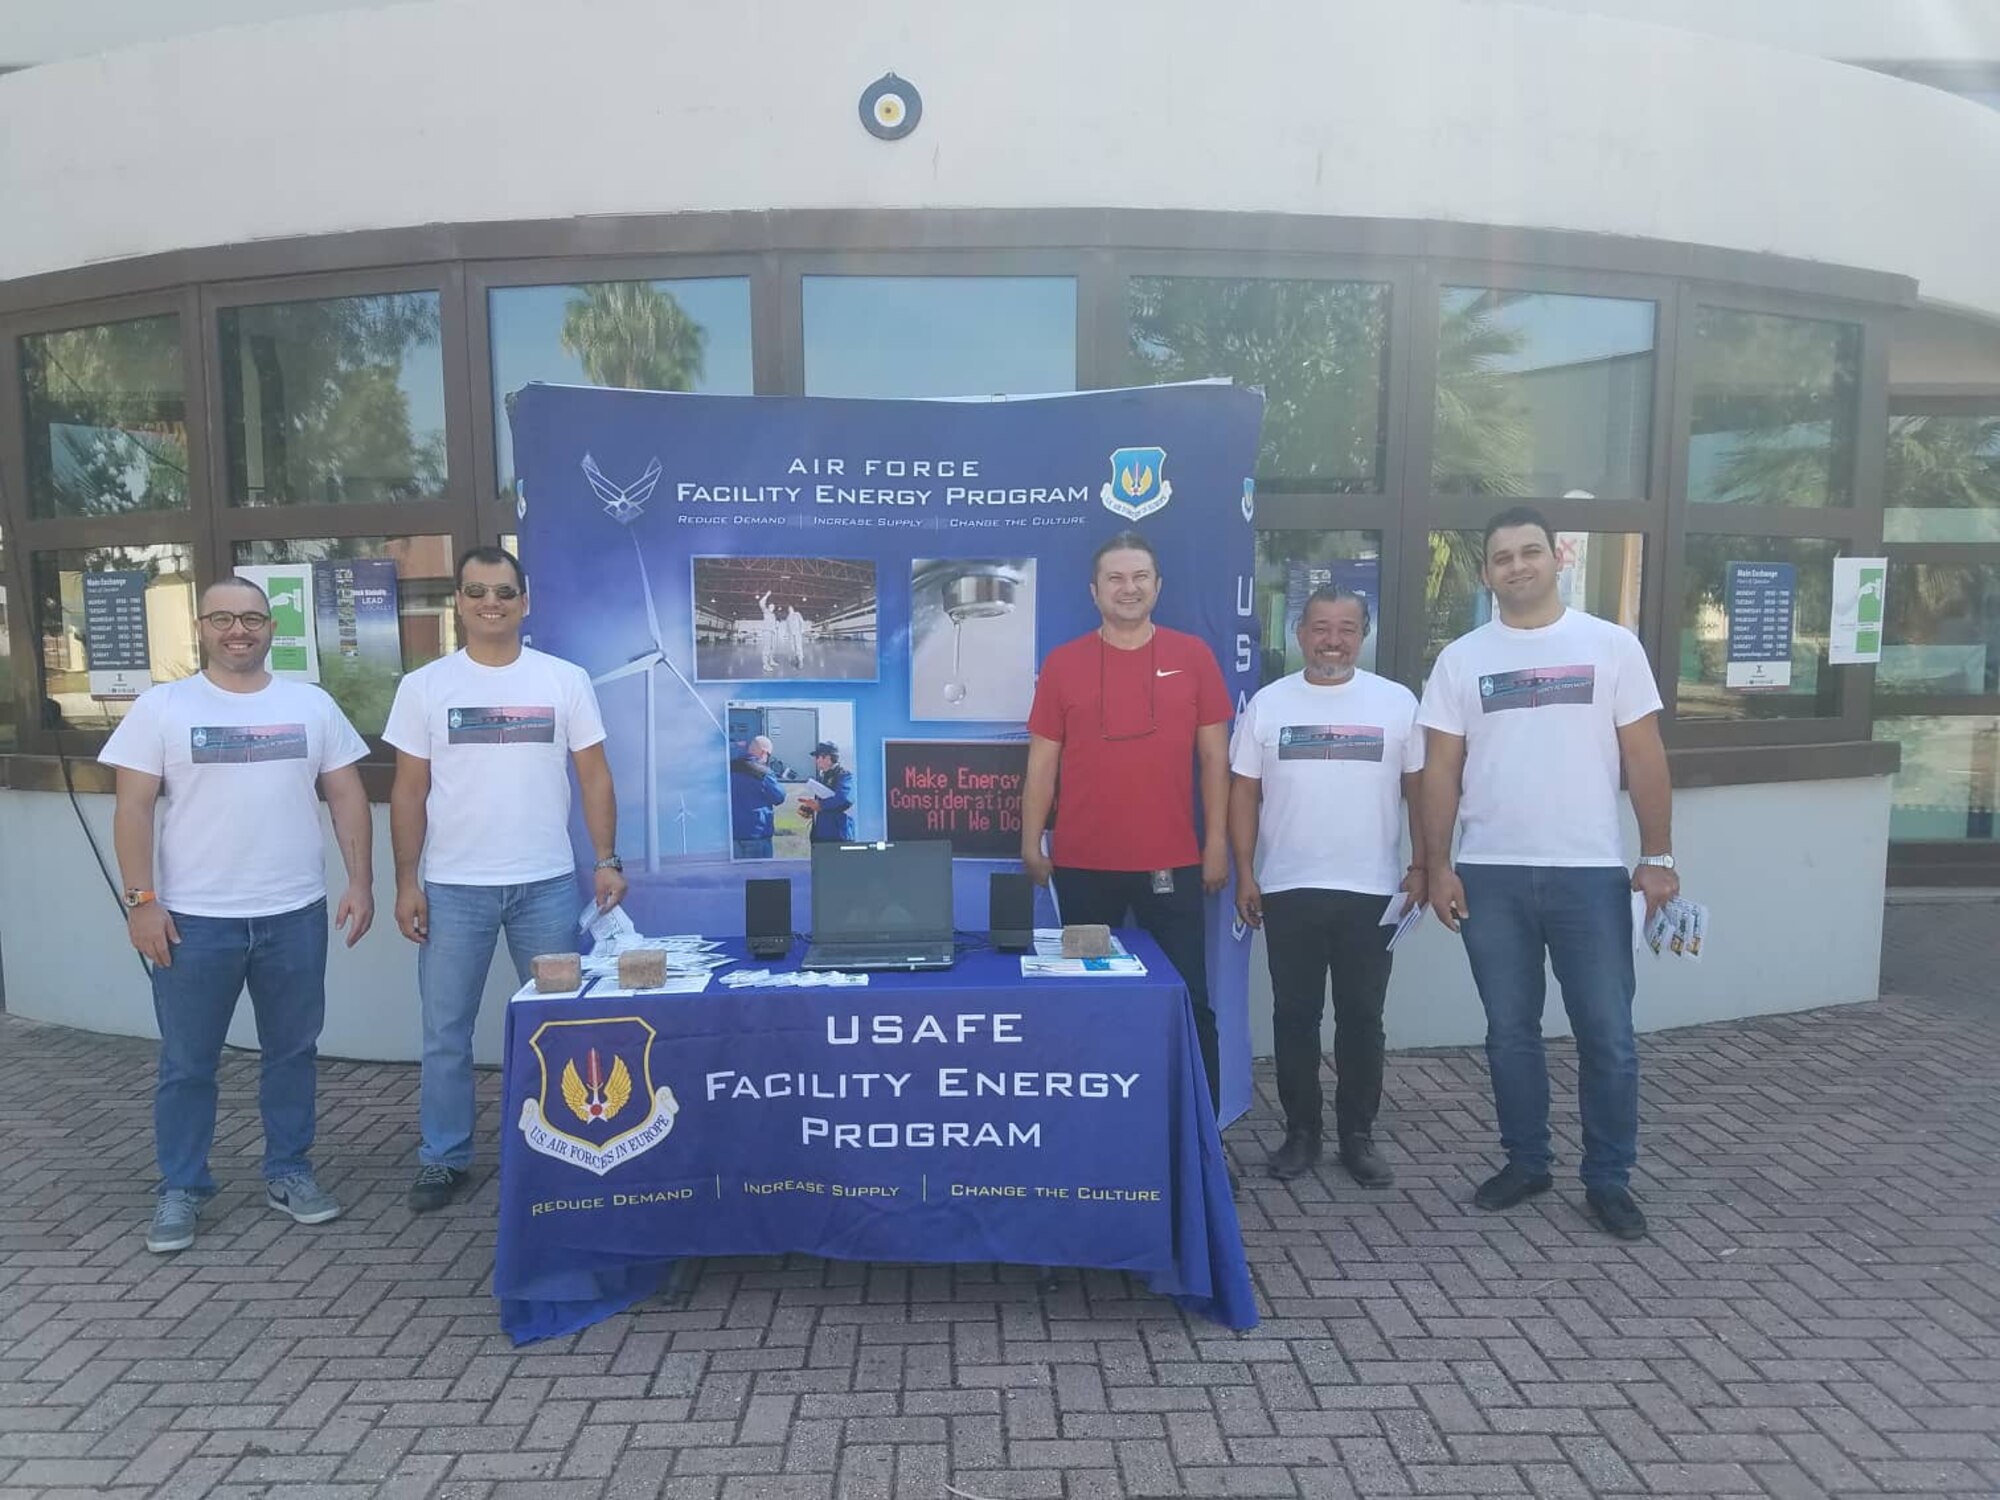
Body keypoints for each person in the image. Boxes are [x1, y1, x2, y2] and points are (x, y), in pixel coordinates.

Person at [1419, 506, 1677, 1241]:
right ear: (1486, 573)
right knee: (1509, 1032)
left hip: (1589, 872)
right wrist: (1438, 865)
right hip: (1490, 872)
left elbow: (1645, 755)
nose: (1517, 566)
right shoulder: (1461, 659)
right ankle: (1527, 1162)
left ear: (1557, 558)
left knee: (1609, 1035)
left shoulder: (1610, 645)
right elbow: (1440, 769)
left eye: (1530, 552)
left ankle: (1609, 1180)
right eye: (1502, 557)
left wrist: (1657, 857)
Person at [102, 576, 374, 1254]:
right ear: (201, 626)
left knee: (292, 1053)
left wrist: (361, 882)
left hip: (294, 914)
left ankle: (289, 1171)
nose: (238, 630)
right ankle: (182, 1187)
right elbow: (132, 808)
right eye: (222, 617)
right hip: (194, 922)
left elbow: (346, 798)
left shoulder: (309, 705)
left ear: (270, 628)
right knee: (188, 1063)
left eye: (251, 618)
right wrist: (141, 901)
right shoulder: (162, 708)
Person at [385, 546, 627, 1213]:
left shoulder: (564, 679)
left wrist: (606, 858)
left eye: (503, 591)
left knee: (561, 1024)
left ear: (525, 601)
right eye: (476, 592)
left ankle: (569, 1142)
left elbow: (595, 775)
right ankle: (443, 1156)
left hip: (546, 887)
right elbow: (408, 792)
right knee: (445, 1032)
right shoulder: (425, 687)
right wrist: (408, 882)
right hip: (453, 890)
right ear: (457, 603)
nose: (491, 603)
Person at [1021, 529, 1232, 1107]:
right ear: (1094, 591)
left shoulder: (1194, 657)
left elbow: (1215, 757)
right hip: (1083, 867)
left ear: (1158, 586)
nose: (1128, 588)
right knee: (1083, 1001)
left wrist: (1216, 843)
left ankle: (1201, 1145)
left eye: (1139, 576)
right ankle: (1087, 1133)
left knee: (1187, 1001)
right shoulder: (1064, 664)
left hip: (1172, 865)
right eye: (1115, 577)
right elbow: (1043, 762)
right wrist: (1030, 843)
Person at [1228, 586, 1424, 1185]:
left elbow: (1421, 791)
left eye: (1345, 627)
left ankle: (1357, 1136)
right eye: (1319, 627)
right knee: (1295, 1017)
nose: (1331, 639)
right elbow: (1243, 794)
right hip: (1289, 886)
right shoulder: (1267, 703)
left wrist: (1423, 865)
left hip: (1372, 890)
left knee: (1363, 1017)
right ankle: (1301, 1132)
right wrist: (1245, 872)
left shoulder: (1397, 703)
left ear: (1362, 634)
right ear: (1299, 633)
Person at [730, 734, 786, 858]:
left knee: (737, 875)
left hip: (733, 834)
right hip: (757, 834)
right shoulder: (763, 773)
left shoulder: (730, 768)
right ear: (763, 753)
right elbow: (779, 797)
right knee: (758, 875)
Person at [797, 740, 856, 842]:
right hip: (820, 835)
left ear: (828, 758)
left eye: (818, 757)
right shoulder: (822, 777)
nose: (816, 761)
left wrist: (820, 805)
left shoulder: (844, 776)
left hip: (838, 835)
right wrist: (810, 808)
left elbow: (844, 799)